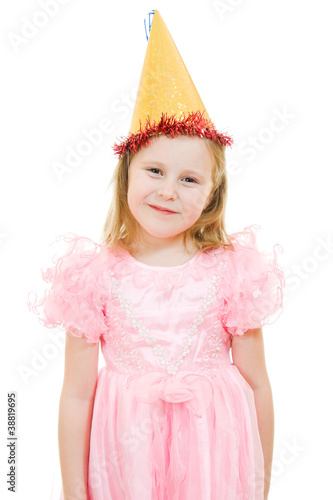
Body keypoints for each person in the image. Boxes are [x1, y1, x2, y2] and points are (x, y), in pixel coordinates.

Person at [27, 10, 285, 500]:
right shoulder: (93, 278)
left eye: (190, 179)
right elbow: (77, 394)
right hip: (127, 460)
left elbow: (259, 387)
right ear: (127, 174)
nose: (170, 191)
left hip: (215, 460)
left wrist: (261, 485)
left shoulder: (232, 273)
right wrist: (72, 492)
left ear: (211, 193)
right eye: (155, 171)